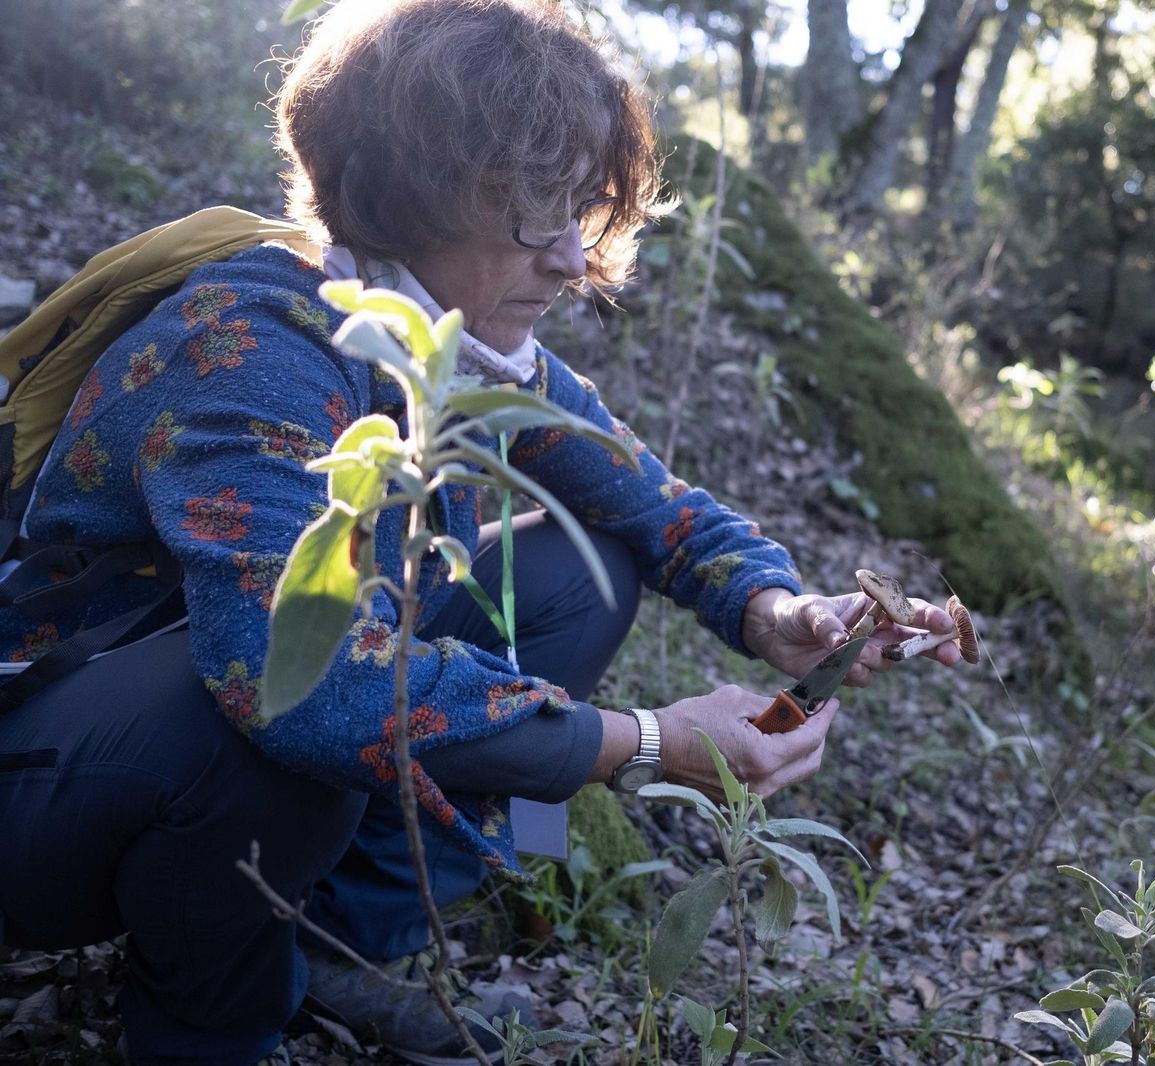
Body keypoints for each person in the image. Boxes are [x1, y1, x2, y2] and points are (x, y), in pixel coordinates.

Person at [0, 2, 963, 1063]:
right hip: (38, 782)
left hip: (171, 725)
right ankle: (206, 1030)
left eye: (580, 209)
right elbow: (298, 686)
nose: (571, 258)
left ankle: (343, 944)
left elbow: (654, 503)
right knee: (284, 705)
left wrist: (776, 608)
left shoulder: (446, 342)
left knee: (584, 572)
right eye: (533, 214)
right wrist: (644, 742)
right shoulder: (249, 347)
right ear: (410, 195)